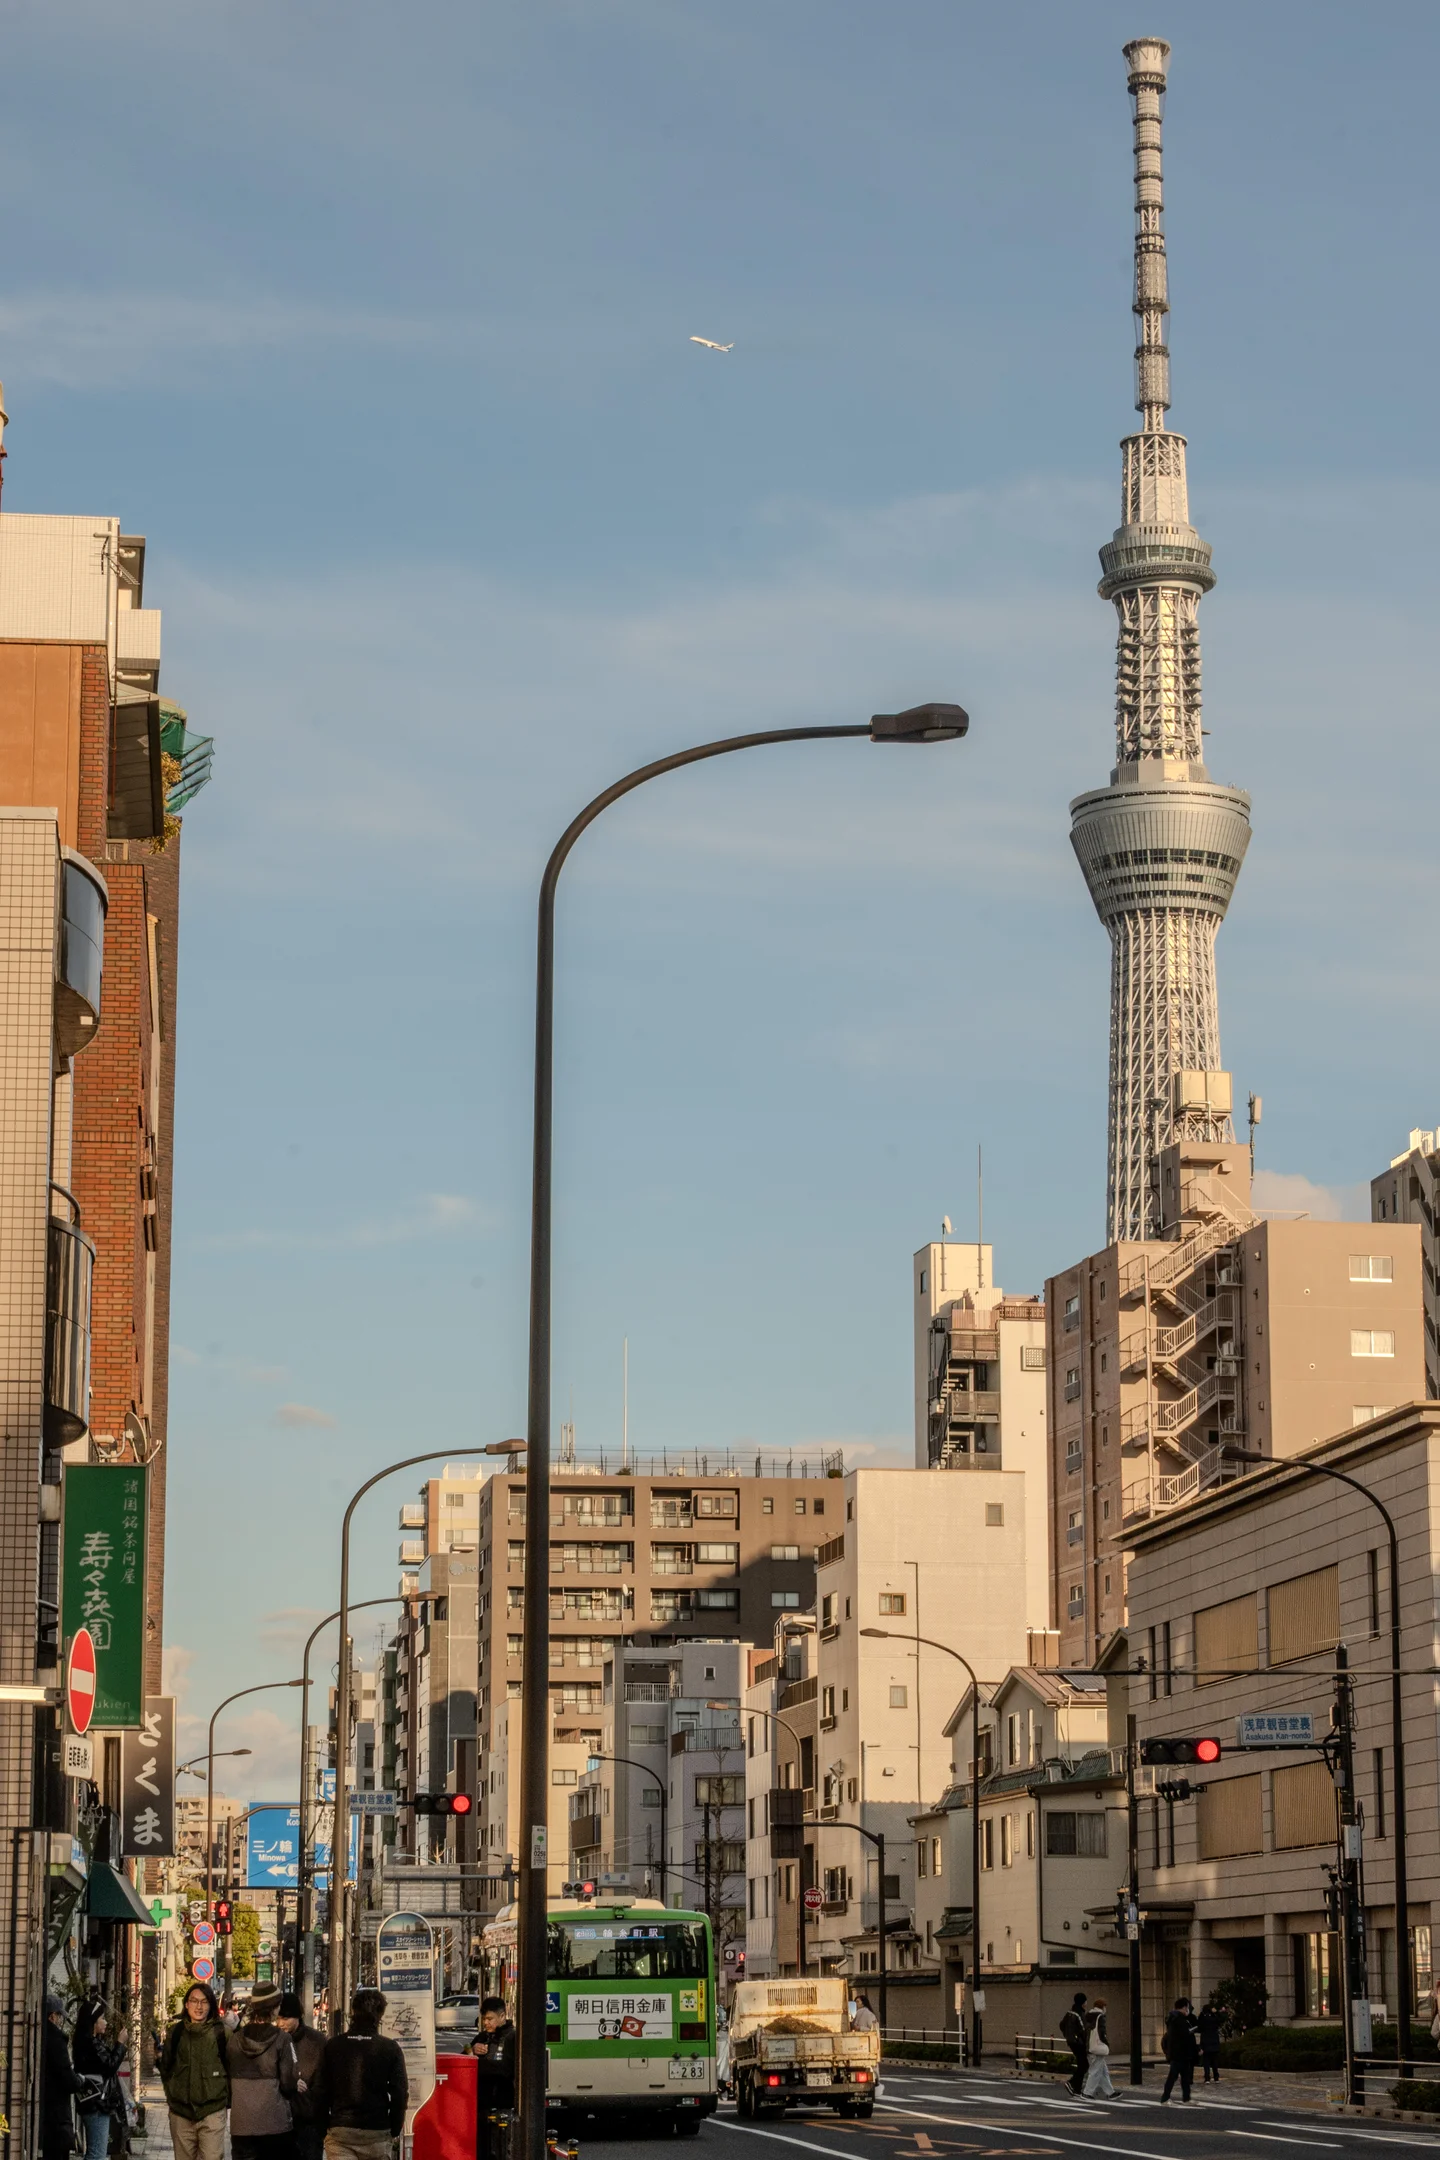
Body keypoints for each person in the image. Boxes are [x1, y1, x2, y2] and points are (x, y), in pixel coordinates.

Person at [311, 1989, 407, 2160]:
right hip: (377, 2130)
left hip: (341, 2129)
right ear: (379, 2015)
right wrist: (394, 2127)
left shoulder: (333, 2046)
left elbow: (320, 2090)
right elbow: (399, 2093)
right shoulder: (390, 2048)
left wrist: (323, 2126)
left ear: (353, 2011)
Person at [160, 1982, 231, 2160]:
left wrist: (226, 2100)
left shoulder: (222, 2033)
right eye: (194, 2001)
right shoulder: (175, 2033)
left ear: (211, 2005)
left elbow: (232, 2069)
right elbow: (165, 2068)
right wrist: (172, 2095)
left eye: (204, 2002)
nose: (198, 2006)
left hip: (213, 2110)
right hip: (180, 2112)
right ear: (186, 2004)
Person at [228, 1984, 298, 2160]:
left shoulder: (235, 2040)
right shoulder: (283, 2039)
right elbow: (289, 2083)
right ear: (275, 2008)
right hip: (274, 2124)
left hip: (241, 2124)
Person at [73, 1999, 127, 2160]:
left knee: (96, 2152)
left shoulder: (85, 2042)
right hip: (97, 2102)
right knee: (97, 2153)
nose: (106, 2022)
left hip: (91, 2100)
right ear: (93, 2023)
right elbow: (110, 2066)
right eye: (102, 2018)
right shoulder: (91, 2044)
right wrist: (121, 2044)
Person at [277, 1996, 326, 2160]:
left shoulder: (316, 2041)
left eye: (285, 2018)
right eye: (277, 2018)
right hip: (279, 2120)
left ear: (297, 2016)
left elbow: (323, 2080)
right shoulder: (274, 2040)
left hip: (309, 2120)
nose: (280, 2023)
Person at [42, 1994, 87, 2160]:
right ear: (53, 2016)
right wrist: (79, 2080)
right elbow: (67, 2078)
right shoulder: (56, 2040)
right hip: (57, 2117)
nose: (61, 2020)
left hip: (44, 2114)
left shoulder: (37, 2035)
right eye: (60, 2016)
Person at [469, 1997, 516, 2149]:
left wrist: (479, 2064)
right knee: (482, 2148)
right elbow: (462, 2059)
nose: (486, 2023)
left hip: (503, 2105)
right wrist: (471, 2050)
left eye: (490, 2019)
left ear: (502, 2016)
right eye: (484, 2019)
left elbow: (505, 2069)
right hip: (481, 2106)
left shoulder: (512, 2037)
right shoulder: (482, 2037)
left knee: (501, 2148)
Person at [1160, 1998, 1198, 2104]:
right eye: (1187, 2007)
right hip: (1178, 2053)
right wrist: (1190, 2031)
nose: (1188, 2009)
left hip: (1182, 2053)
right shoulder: (1177, 2019)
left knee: (1185, 2077)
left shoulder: (1176, 2018)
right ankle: (1165, 2098)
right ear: (1184, 2007)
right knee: (1173, 2076)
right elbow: (1182, 2035)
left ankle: (1186, 2098)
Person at [1081, 2001, 1114, 2099]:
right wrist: (1106, 2044)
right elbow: (1102, 2033)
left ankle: (1110, 2092)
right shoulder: (1100, 2017)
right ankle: (1087, 2093)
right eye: (1105, 2007)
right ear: (1103, 2006)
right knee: (1095, 2071)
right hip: (1097, 2048)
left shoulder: (1088, 2016)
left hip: (1089, 2047)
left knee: (1103, 2071)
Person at [1059, 1992, 1088, 2096]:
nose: (1086, 2003)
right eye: (1085, 2001)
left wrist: (1067, 2035)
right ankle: (1072, 2083)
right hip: (1079, 2043)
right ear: (1082, 2002)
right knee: (1084, 2065)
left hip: (1071, 2042)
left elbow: (1061, 2025)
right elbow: (1084, 2030)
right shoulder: (1079, 2013)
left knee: (1082, 2064)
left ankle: (1077, 2089)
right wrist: (1085, 2042)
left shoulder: (1069, 2012)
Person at [1196, 1999, 1223, 2084]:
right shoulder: (1214, 2017)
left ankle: (1207, 2078)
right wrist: (1216, 2012)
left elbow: (1199, 2026)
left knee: (1206, 2061)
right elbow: (1220, 2021)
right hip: (1214, 2040)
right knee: (1214, 2061)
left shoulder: (1202, 2016)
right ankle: (1216, 2077)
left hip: (1205, 2041)